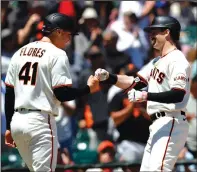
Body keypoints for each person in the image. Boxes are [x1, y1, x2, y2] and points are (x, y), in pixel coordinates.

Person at [4, 13, 99, 172]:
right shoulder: (57, 54)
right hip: (39, 122)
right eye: (68, 34)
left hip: (17, 122)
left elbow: (9, 93)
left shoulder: (20, 52)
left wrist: (8, 127)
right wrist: (88, 88)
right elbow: (63, 94)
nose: (69, 39)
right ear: (58, 32)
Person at [95, 16, 191, 171]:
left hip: (171, 121)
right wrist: (110, 77)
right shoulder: (155, 62)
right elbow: (135, 82)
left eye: (155, 31)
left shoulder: (178, 59)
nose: (150, 35)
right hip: (156, 125)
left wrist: (146, 96)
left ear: (167, 32)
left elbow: (178, 94)